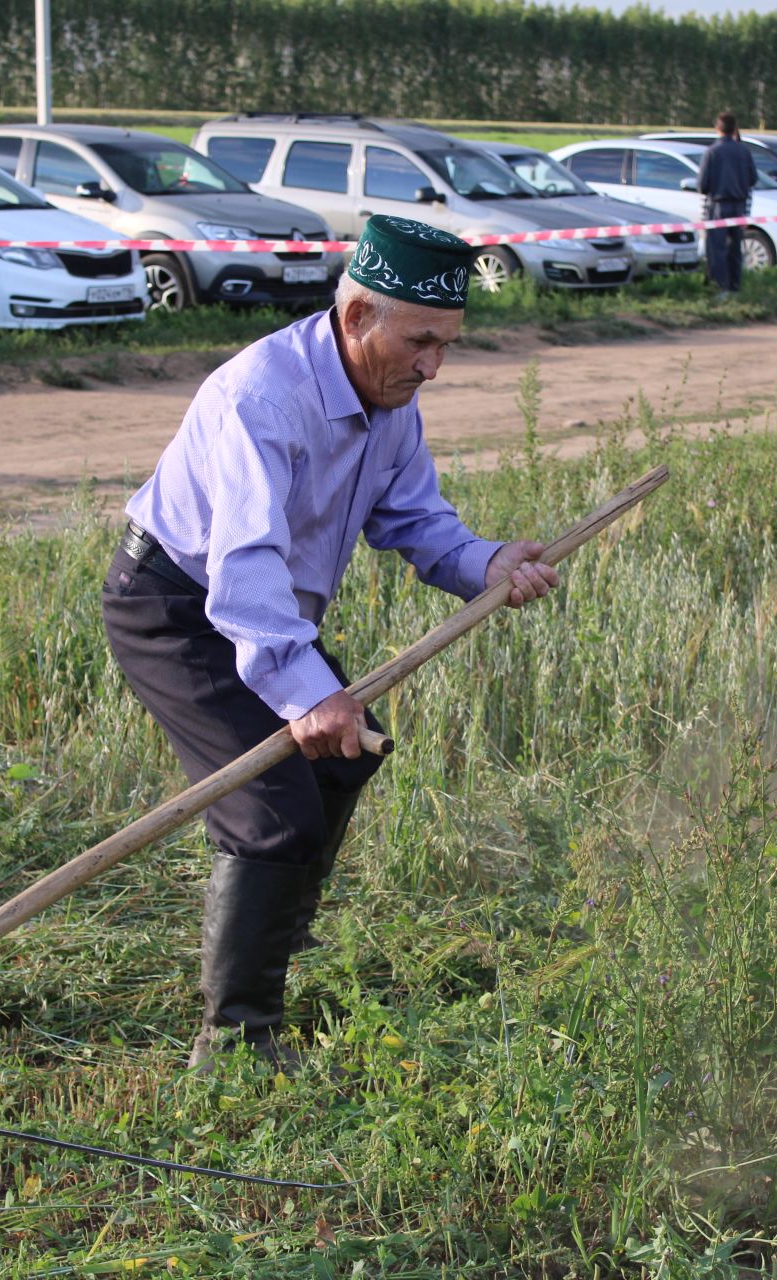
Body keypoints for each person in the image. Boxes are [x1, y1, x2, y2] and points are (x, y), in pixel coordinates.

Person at [103, 215, 560, 1071]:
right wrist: (306, 692)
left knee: (343, 758)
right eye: (420, 341)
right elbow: (245, 566)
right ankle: (237, 1044)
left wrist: (490, 561)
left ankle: (268, 934)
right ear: (356, 319)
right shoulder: (262, 398)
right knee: (274, 813)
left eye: (448, 345)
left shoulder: (390, 401)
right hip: (175, 604)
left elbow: (416, 519)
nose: (434, 366)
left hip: (260, 607)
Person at [698, 110, 758, 297]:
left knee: (717, 247)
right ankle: (735, 285)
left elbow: (702, 184)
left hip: (719, 205)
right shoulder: (744, 151)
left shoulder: (712, 152)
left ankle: (719, 286)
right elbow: (753, 178)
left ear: (717, 128)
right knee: (735, 248)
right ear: (734, 129)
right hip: (739, 205)